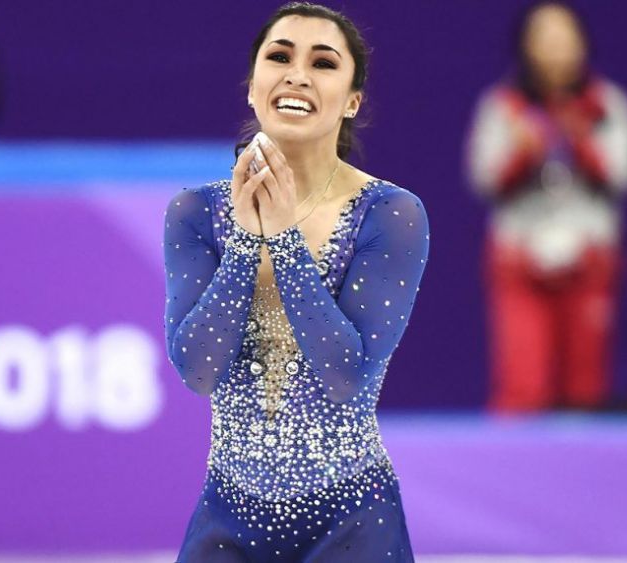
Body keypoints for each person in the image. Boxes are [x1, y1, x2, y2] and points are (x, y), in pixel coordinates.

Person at [163, 3, 429, 560]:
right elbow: (196, 370)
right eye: (279, 56)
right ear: (253, 87)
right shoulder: (196, 212)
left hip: (353, 522)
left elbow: (345, 375)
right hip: (227, 519)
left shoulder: (390, 213)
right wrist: (244, 242)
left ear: (352, 101)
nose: (297, 73)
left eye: (323, 63)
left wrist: (282, 239)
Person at [466, 1, 627, 412]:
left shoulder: (607, 105)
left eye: (565, 37)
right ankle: (512, 474)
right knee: (522, 388)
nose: (555, 48)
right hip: (520, 255)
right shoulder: (503, 106)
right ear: (525, 47)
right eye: (544, 38)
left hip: (589, 255)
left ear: (583, 44)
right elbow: (483, 178)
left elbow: (623, 175)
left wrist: (579, 138)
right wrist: (523, 153)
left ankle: (586, 473)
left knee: (584, 390)